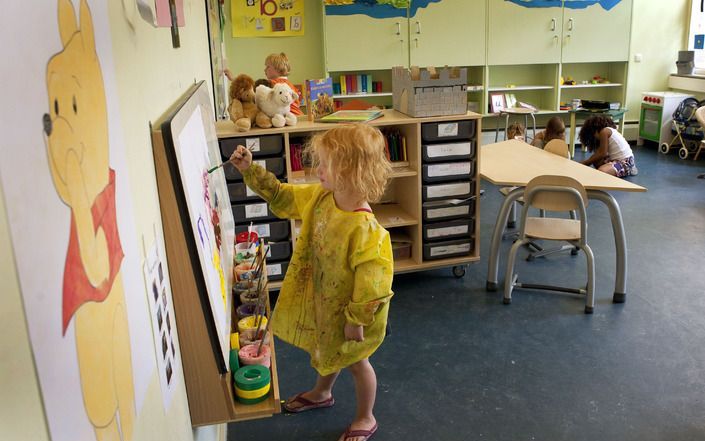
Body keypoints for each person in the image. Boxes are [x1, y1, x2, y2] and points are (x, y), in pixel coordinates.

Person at [228, 124, 394, 441]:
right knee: (326, 349)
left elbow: (374, 283)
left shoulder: (365, 229)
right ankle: (322, 393)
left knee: (357, 363)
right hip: (323, 300)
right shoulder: (322, 197)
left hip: (352, 314)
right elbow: (282, 196)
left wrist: (356, 320)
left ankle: (365, 416)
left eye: (325, 164)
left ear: (350, 172)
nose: (317, 170)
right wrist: (251, 170)